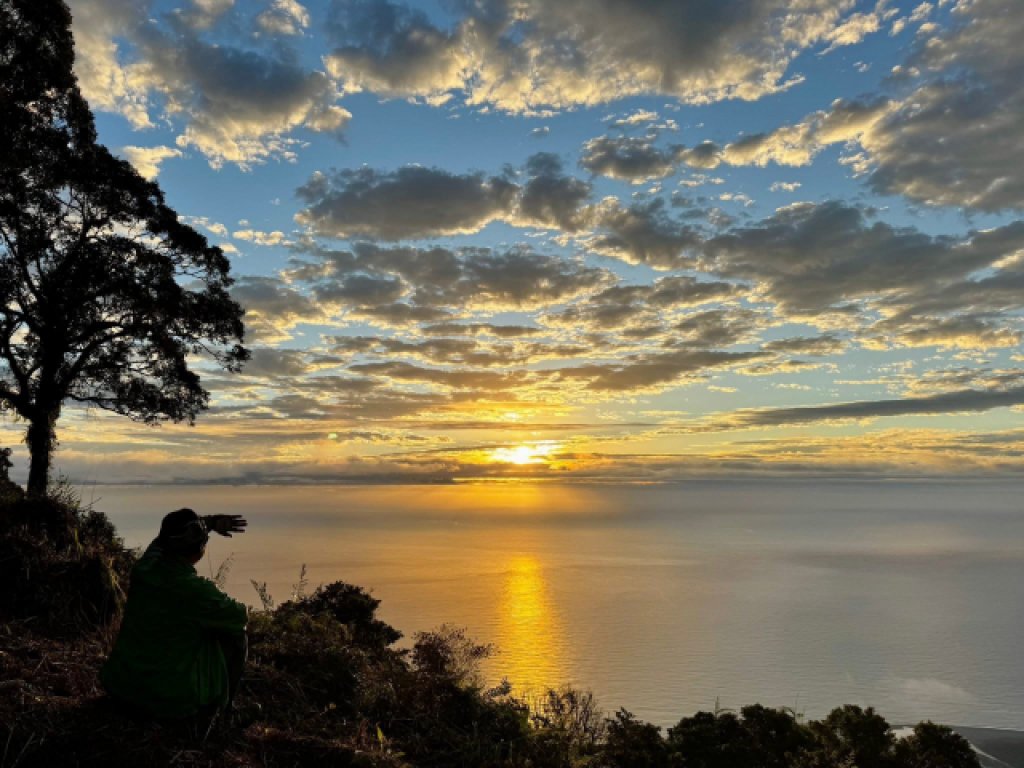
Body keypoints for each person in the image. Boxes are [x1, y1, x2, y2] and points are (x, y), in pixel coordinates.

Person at [101, 508, 249, 722]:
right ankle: (225, 714)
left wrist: (210, 523)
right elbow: (240, 617)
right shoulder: (194, 591)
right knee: (236, 636)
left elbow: (160, 543)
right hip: (170, 701)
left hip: (123, 689)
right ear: (200, 549)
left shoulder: (145, 568)